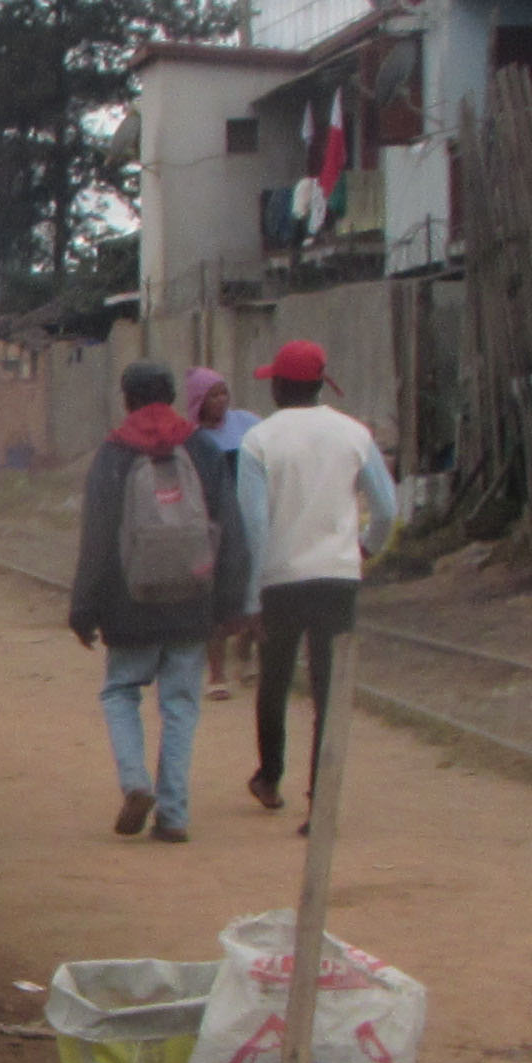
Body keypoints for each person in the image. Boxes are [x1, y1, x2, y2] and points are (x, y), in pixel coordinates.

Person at [69, 361, 246, 842]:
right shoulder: (202, 448)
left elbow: (98, 537)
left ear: (126, 399)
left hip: (129, 602)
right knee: (182, 704)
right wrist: (231, 602)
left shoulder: (113, 453)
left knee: (120, 692)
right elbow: (228, 525)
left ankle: (135, 782)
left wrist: (84, 608)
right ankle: (174, 814)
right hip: (193, 598)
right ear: (171, 397)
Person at [233, 340, 397, 815]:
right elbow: (386, 507)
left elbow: (254, 526)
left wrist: (251, 597)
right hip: (337, 576)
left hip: (280, 577)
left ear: (280, 387)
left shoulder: (258, 441)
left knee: (275, 679)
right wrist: (366, 547)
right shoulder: (354, 434)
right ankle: (321, 796)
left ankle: (269, 776)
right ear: (321, 385)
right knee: (329, 686)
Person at [183, 365, 258, 696]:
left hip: (251, 517)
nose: (221, 400)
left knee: (255, 584)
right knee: (213, 594)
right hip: (212, 522)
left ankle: (246, 649)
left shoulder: (248, 424)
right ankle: (216, 674)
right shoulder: (191, 438)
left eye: (224, 392)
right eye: (213, 394)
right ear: (199, 400)